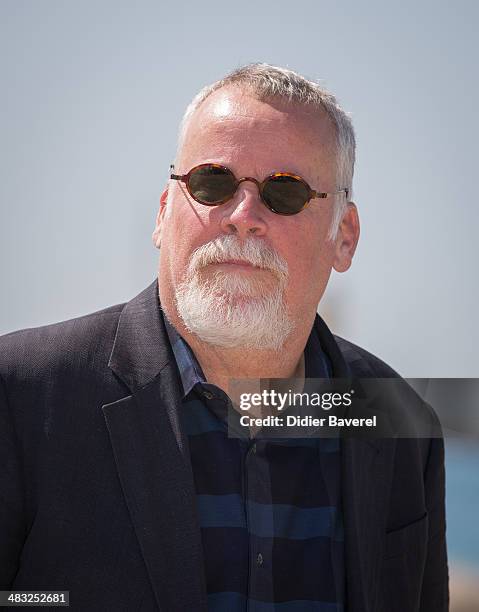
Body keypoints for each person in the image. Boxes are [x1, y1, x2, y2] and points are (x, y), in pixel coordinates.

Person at [0, 63, 448, 611]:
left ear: (345, 237)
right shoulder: (20, 394)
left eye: (285, 193)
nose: (243, 216)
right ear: (165, 214)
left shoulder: (400, 418)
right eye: (212, 183)